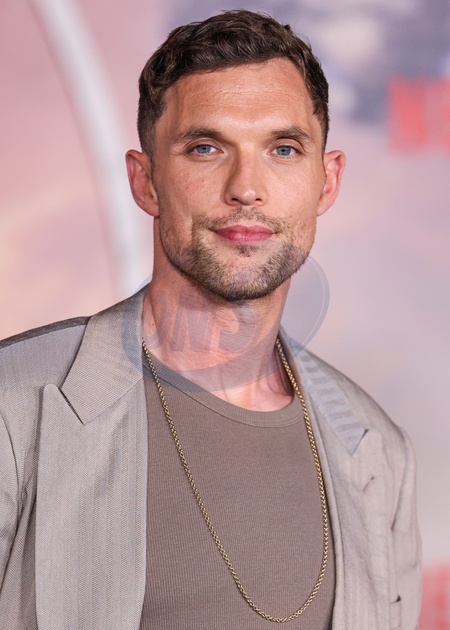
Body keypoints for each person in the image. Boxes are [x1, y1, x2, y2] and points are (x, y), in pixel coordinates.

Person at [0, 10, 421, 630]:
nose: (246, 187)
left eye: (283, 149)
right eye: (206, 148)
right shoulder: (15, 409)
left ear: (326, 181)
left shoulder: (378, 451)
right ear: (145, 181)